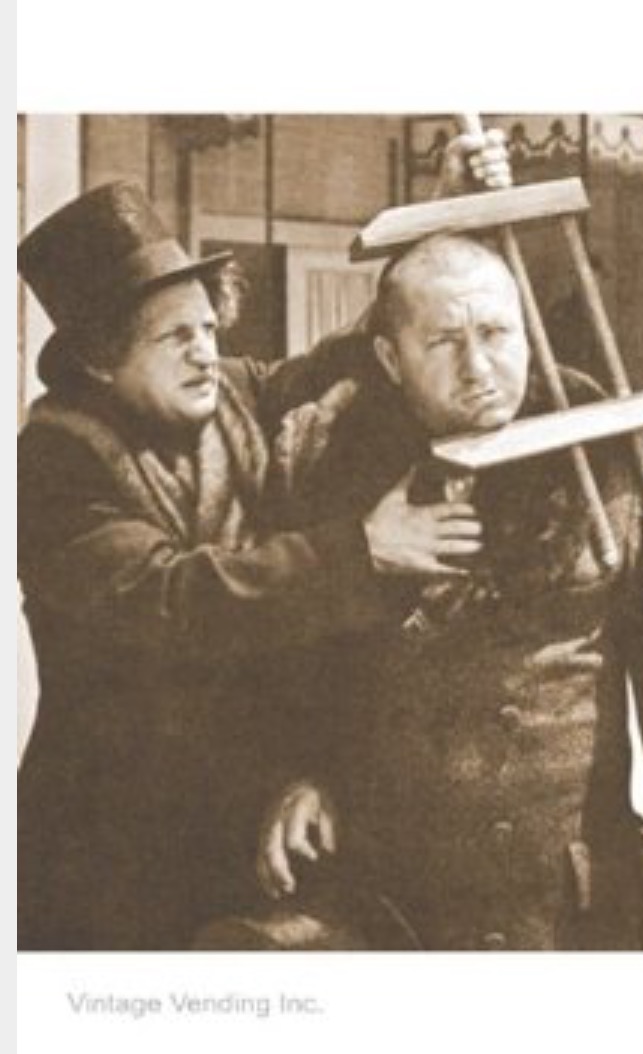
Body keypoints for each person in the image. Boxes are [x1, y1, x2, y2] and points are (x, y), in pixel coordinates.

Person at [230, 231, 643, 952]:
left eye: (496, 333)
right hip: (392, 905)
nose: (478, 367)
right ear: (389, 357)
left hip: (569, 907)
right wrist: (297, 772)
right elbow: (289, 666)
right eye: (444, 342)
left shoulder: (601, 452)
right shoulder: (330, 462)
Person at [16, 131, 513, 950]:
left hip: (240, 819)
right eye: (174, 337)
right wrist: (359, 551)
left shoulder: (230, 398)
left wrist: (434, 216)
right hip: (107, 840)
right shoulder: (54, 462)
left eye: (209, 328)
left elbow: (350, 356)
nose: (205, 354)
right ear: (101, 361)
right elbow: (170, 601)